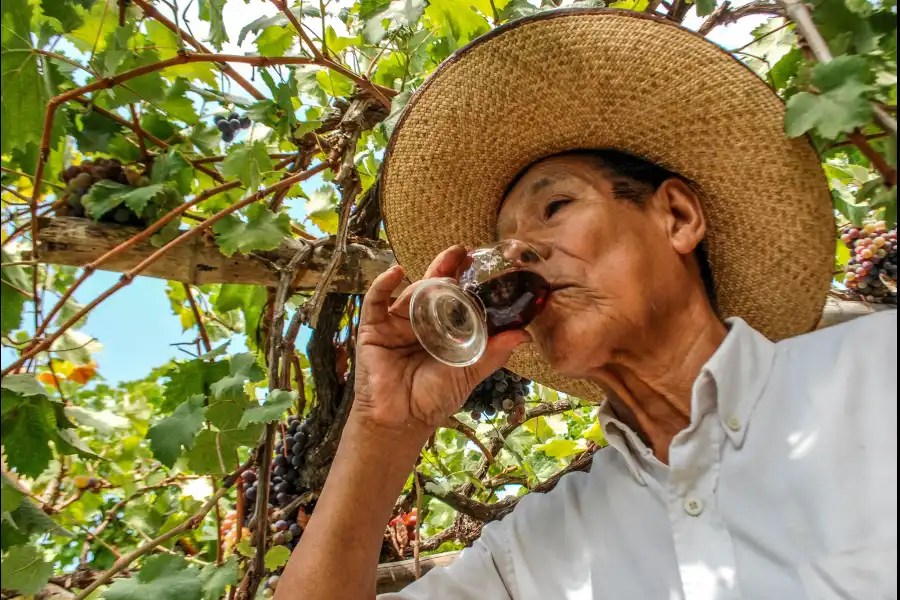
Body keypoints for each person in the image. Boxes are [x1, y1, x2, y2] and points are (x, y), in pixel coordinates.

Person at [276, 9, 898, 600]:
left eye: (556, 208)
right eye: (502, 249)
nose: (518, 257)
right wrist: (384, 426)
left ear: (677, 217)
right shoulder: (535, 550)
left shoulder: (877, 373)